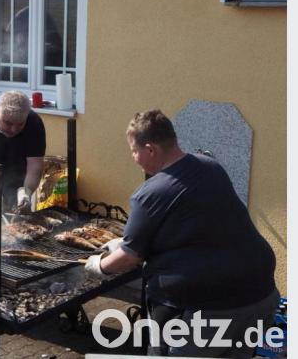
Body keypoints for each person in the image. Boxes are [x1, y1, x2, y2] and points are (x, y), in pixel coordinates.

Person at [85, 109, 279, 358]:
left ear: (150, 149)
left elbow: (129, 258)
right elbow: (195, 222)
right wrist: (128, 242)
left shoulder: (151, 192)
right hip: (261, 293)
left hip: (209, 308)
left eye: (134, 151)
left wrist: (98, 266)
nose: (133, 157)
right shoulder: (211, 167)